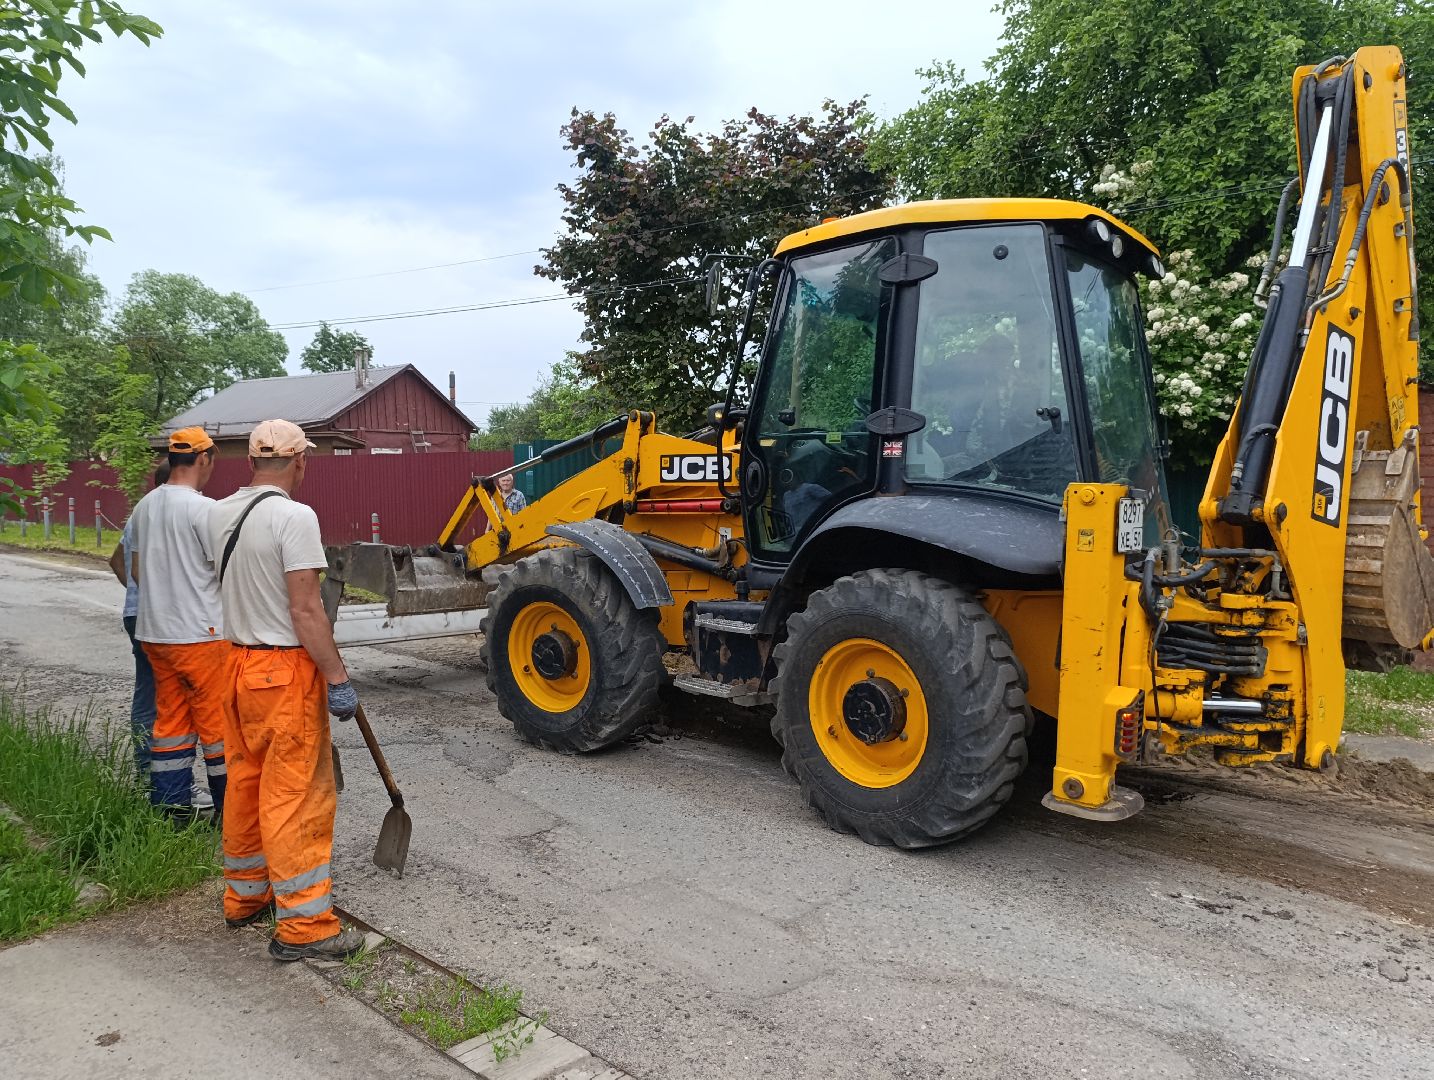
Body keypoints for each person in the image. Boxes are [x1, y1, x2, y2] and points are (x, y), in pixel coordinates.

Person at [208, 419, 365, 961]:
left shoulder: (219, 512)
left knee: (245, 783)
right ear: (301, 461)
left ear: (250, 460)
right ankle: (304, 927)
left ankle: (245, 896)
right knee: (294, 796)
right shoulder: (295, 517)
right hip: (282, 673)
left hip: (232, 666)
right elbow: (306, 610)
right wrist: (338, 677)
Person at [127, 428, 231, 819]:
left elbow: (136, 571)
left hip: (156, 634)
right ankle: (230, 816)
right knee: (219, 730)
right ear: (203, 458)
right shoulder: (205, 510)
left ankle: (171, 811)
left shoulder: (145, 507)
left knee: (170, 722)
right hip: (201, 637)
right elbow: (225, 572)